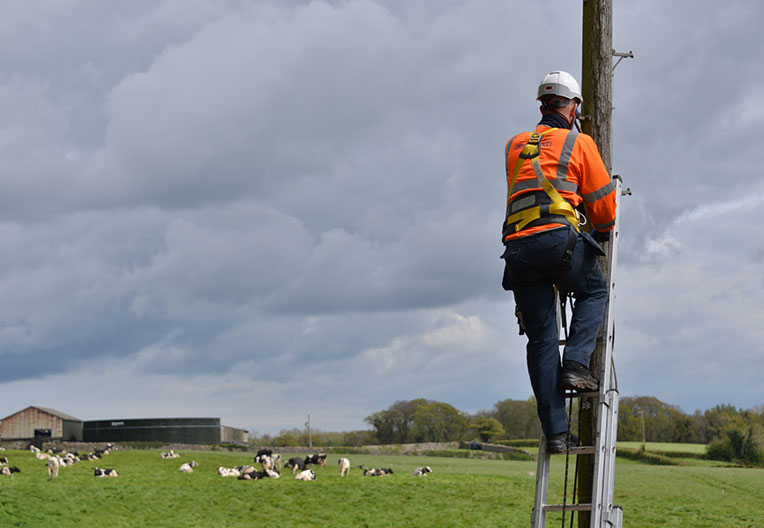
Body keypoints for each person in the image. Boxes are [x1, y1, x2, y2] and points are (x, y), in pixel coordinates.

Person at [501, 71, 617, 453]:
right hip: (557, 240)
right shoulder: (578, 141)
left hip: (517, 248)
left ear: (542, 106)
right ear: (573, 107)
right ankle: (576, 364)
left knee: (541, 337)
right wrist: (602, 230)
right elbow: (602, 201)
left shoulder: (514, 145)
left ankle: (555, 432)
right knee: (594, 291)